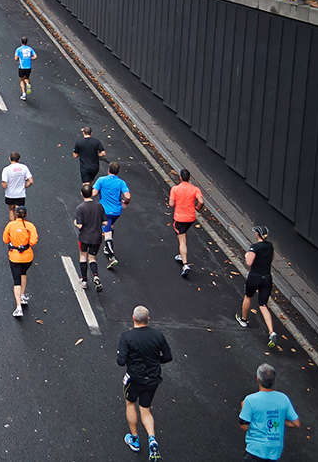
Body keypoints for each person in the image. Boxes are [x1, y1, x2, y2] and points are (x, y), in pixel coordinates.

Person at [117, 305, 172, 461]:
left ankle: (134, 439)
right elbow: (167, 357)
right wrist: (155, 361)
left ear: (133, 318)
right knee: (145, 409)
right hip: (153, 379)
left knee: (130, 404)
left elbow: (120, 361)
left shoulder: (127, 337)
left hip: (134, 379)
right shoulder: (158, 335)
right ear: (148, 319)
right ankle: (152, 438)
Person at [239, 364, 301, 461]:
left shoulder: (250, 400)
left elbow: (244, 426)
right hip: (275, 450)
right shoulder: (283, 398)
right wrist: (280, 419)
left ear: (258, 379)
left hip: (255, 449)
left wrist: (244, 409)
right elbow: (296, 423)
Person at [236, 226, 278, 349]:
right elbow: (272, 258)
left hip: (254, 277)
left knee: (248, 297)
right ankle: (271, 332)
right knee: (263, 305)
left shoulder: (255, 247)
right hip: (267, 278)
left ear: (257, 234)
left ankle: (243, 319)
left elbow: (249, 262)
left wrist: (246, 255)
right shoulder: (270, 246)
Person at [2, 206, 39, 318]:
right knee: (23, 273)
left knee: (16, 280)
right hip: (27, 257)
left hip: (15, 257)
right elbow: (33, 241)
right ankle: (23, 295)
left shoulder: (10, 225)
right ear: (26, 215)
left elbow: (5, 240)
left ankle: (18, 307)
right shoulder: (30, 226)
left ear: (16, 214)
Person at [92, 162, 131, 269]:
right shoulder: (121, 182)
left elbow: (94, 193)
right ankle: (107, 246)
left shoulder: (102, 180)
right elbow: (127, 196)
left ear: (108, 170)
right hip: (117, 211)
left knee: (107, 232)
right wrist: (126, 203)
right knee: (110, 226)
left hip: (105, 210)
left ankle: (111, 256)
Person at [168, 169, 205, 278]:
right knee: (184, 235)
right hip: (191, 218)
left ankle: (185, 264)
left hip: (179, 218)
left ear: (180, 178)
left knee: (182, 240)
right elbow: (201, 202)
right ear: (189, 178)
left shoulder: (175, 189)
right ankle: (181, 255)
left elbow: (171, 204)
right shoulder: (195, 189)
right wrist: (197, 208)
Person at [74, 183, 109, 292]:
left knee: (83, 256)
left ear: (81, 194)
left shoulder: (80, 208)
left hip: (84, 237)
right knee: (92, 258)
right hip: (96, 237)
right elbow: (105, 222)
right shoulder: (99, 206)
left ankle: (84, 280)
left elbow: (79, 225)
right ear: (92, 194)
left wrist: (75, 222)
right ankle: (95, 276)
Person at [0, 152, 34, 221]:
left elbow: (4, 185)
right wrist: (25, 185)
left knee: (11, 210)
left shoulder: (6, 169)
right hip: (20, 194)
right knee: (19, 211)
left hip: (10, 194)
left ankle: (12, 226)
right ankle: (20, 226)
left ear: (9, 159)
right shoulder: (24, 167)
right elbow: (31, 181)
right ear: (19, 159)